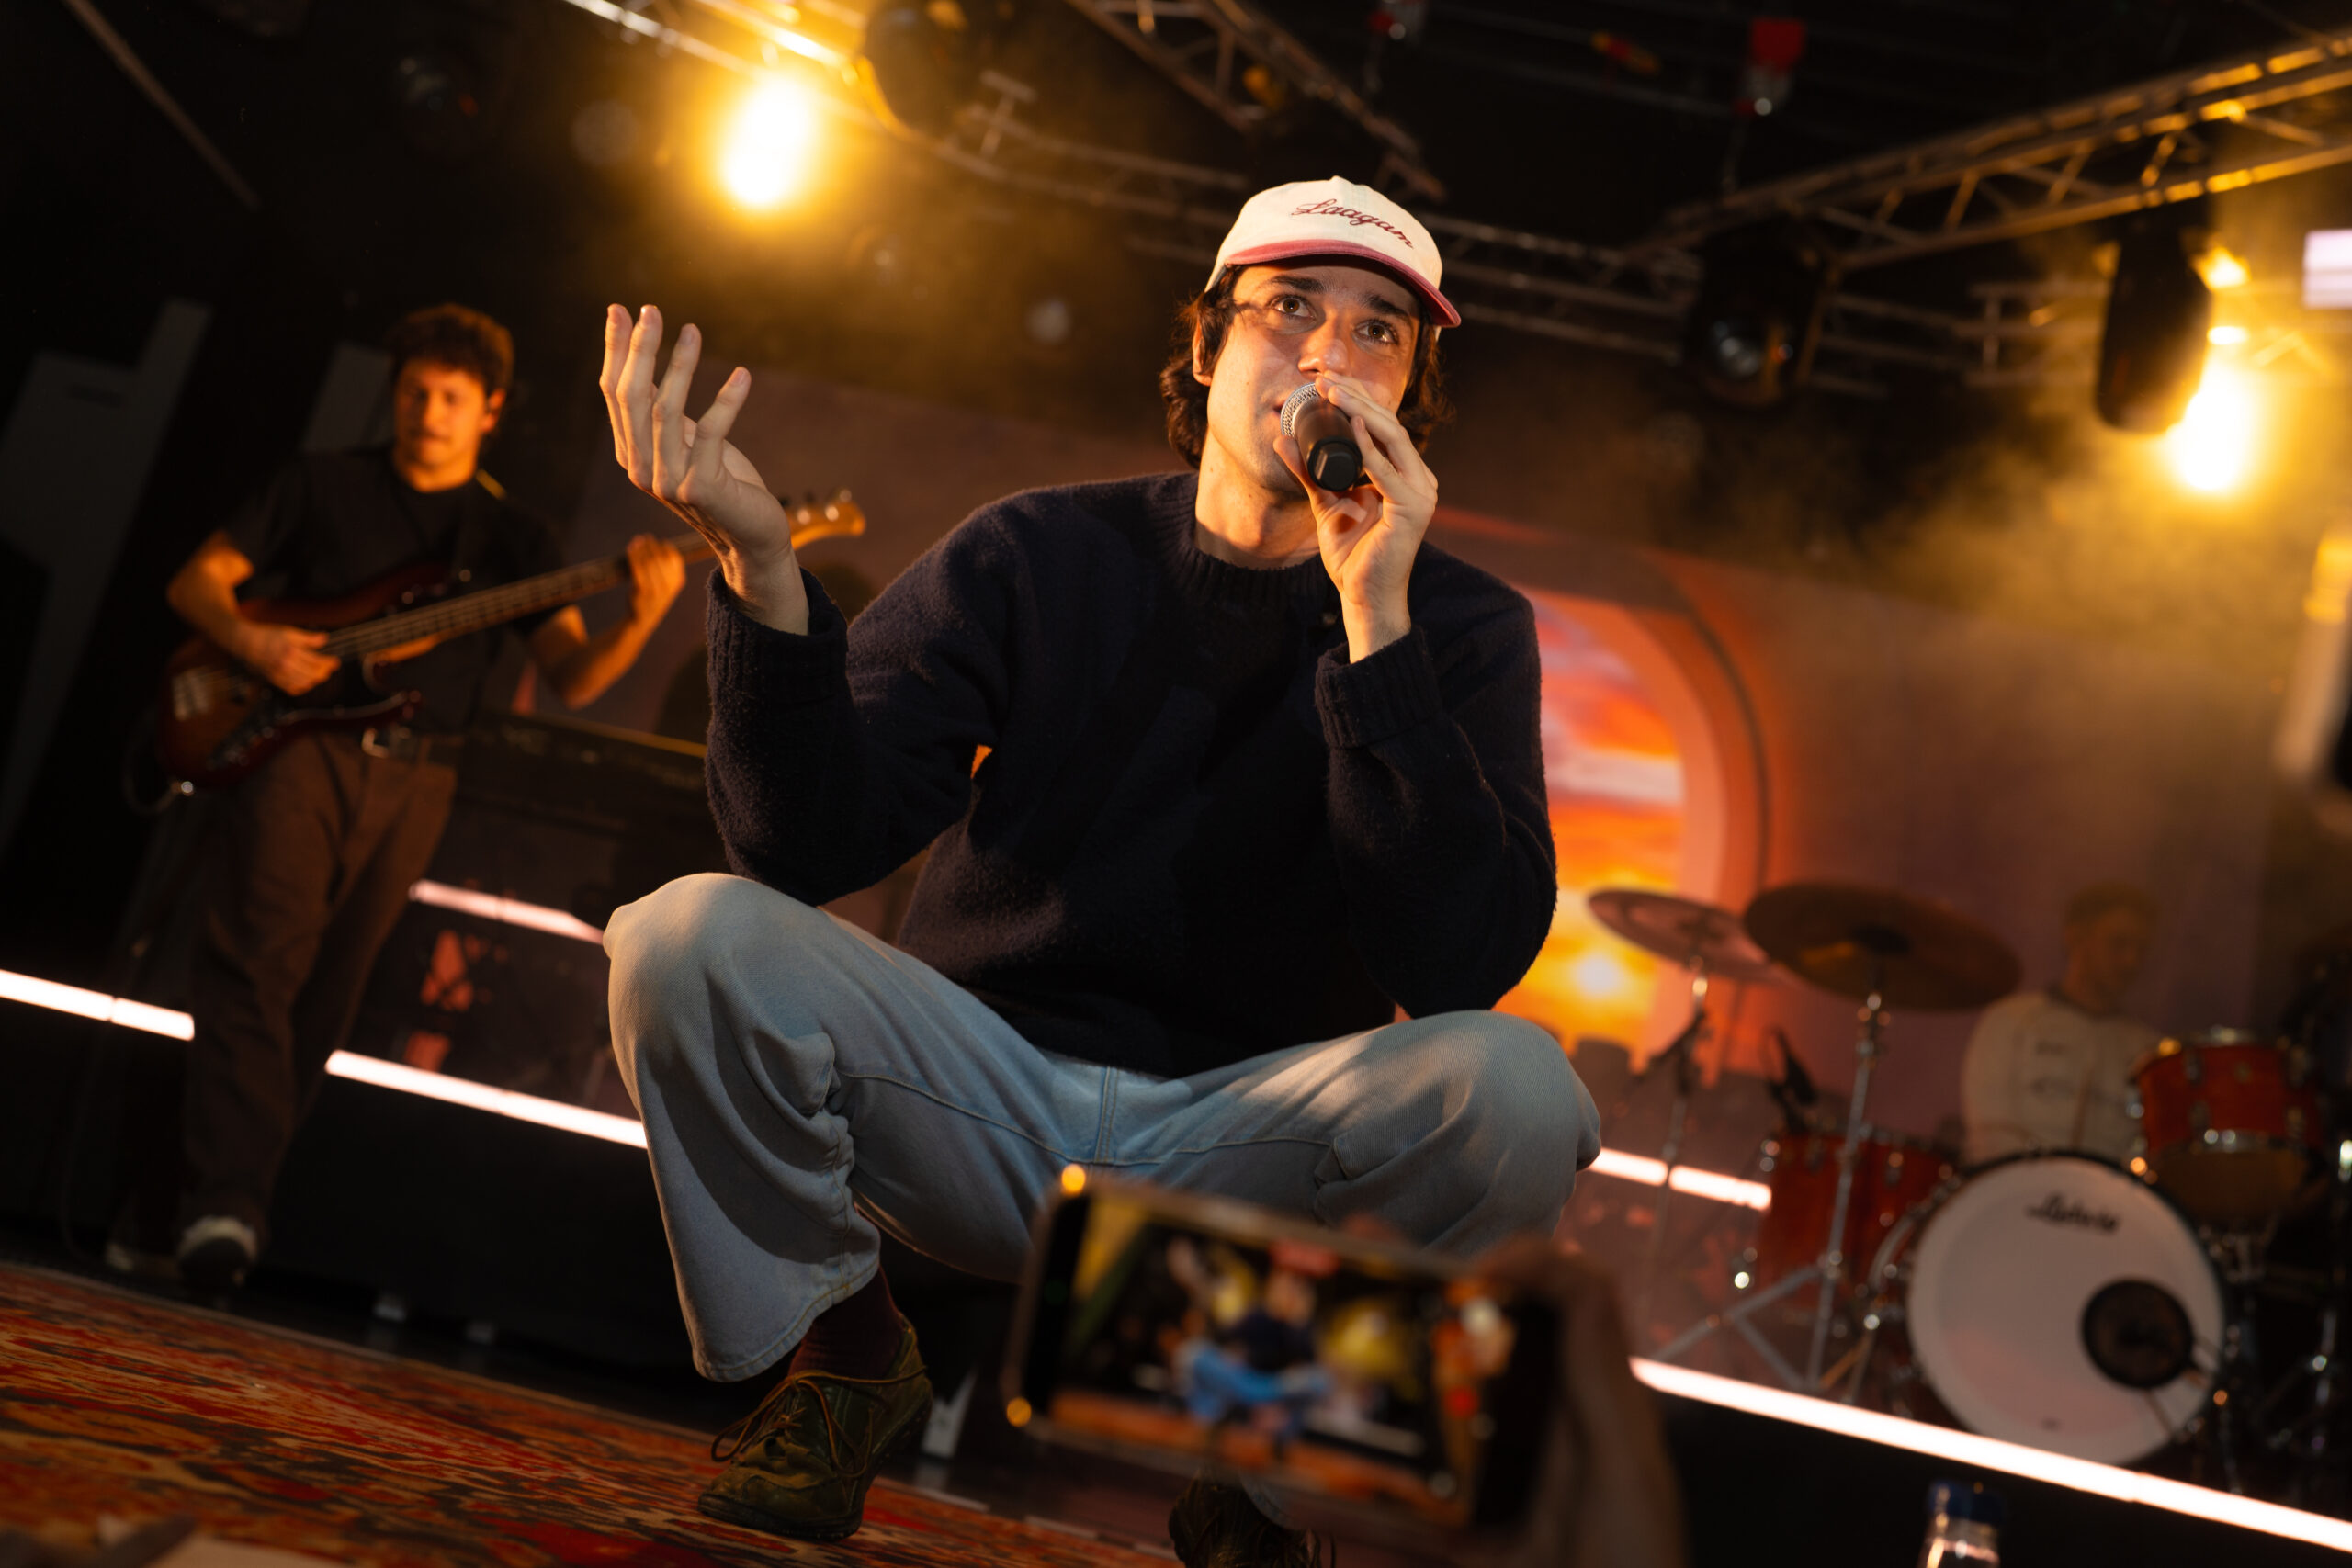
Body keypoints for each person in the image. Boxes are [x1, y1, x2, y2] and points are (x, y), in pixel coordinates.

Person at [596, 176, 1602, 1543]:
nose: (1329, 353)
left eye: (1379, 330)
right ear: (1206, 343)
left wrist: (1378, 630)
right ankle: (848, 1358)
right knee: (685, 935)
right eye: (1291, 307)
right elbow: (800, 844)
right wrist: (762, 572)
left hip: (1240, 1159)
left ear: (1409, 399)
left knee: (1524, 1088)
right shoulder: (1040, 548)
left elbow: (1457, 966)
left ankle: (1264, 1487)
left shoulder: (1462, 627)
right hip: (977, 1100)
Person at [130, 304, 686, 1292]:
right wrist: (256, 642)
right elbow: (196, 584)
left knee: (331, 991)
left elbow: (575, 677)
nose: (428, 413)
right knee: (257, 960)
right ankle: (227, 1209)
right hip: (297, 756)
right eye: (415, 393)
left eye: (451, 398)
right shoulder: (321, 483)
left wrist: (641, 620)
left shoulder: (509, 535)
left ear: (491, 411)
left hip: (418, 777)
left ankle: (202, 1207)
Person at [1959, 882, 2162, 1166]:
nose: (2131, 961)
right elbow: (1990, 1133)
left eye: (2140, 949)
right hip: (2012, 1185)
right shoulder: (2010, 1020)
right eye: (2118, 944)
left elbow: (2147, 1149)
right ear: (2075, 938)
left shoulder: (2149, 1050)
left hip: (2106, 1192)